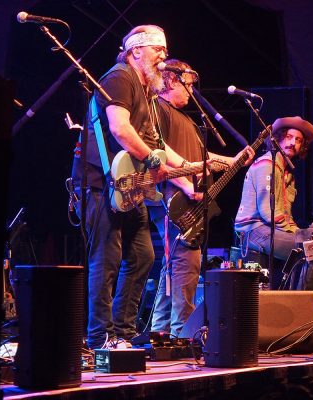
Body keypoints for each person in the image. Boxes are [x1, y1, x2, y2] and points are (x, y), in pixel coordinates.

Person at [71, 25, 201, 350]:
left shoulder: (148, 95)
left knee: (143, 255)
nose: (163, 57)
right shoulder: (120, 77)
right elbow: (119, 129)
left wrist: (191, 165)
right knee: (107, 259)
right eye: (158, 49)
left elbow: (156, 143)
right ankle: (100, 338)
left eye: (165, 50)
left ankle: (122, 334)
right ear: (136, 51)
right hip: (102, 185)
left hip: (129, 188)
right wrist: (157, 165)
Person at [148, 59, 254, 338]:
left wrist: (234, 161)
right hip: (173, 198)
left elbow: (204, 160)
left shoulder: (189, 122)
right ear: (171, 80)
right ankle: (181, 334)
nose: (192, 91)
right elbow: (156, 150)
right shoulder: (158, 109)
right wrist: (184, 184)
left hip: (188, 198)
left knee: (176, 266)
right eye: (189, 84)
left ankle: (162, 332)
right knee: (187, 263)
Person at [234, 116, 313, 291]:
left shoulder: (287, 173)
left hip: (269, 230)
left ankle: (290, 304)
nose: (293, 143)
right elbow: (267, 212)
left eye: (298, 140)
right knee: (311, 250)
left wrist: (300, 232)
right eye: (289, 137)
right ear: (278, 138)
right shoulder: (267, 164)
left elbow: (286, 216)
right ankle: (298, 306)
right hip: (253, 230)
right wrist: (299, 234)